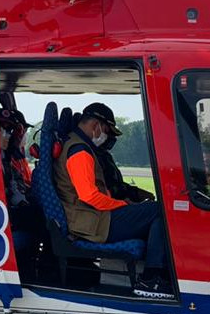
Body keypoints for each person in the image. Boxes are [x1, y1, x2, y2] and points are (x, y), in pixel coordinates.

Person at [53, 102, 173, 299]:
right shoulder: (80, 151)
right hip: (94, 223)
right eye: (107, 130)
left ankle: (156, 274)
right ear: (96, 126)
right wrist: (124, 205)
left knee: (158, 216)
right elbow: (89, 196)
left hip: (94, 218)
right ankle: (152, 278)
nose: (106, 136)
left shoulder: (78, 145)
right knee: (159, 210)